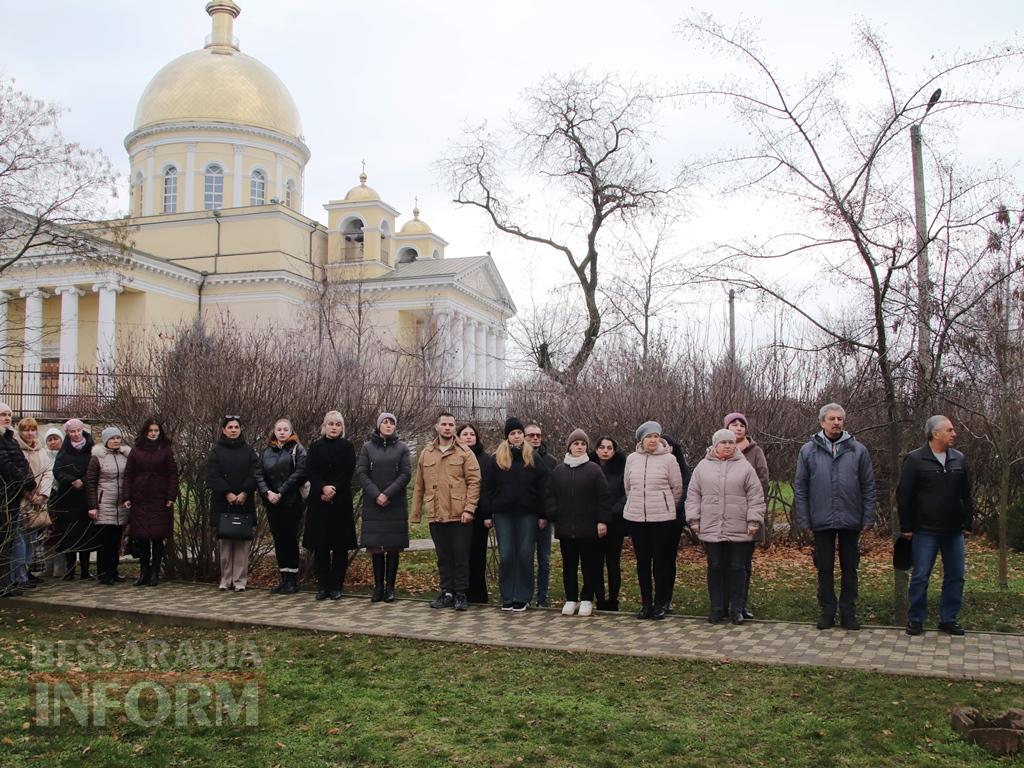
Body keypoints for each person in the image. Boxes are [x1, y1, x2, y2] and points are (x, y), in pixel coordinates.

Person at [793, 403, 876, 631]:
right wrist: (804, 519)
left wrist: (868, 517)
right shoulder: (808, 451)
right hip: (821, 519)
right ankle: (827, 611)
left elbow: (868, 486)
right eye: (832, 419)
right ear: (822, 422)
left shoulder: (858, 450)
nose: (836, 422)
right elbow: (800, 487)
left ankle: (848, 612)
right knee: (825, 567)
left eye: (840, 419)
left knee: (850, 568)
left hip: (851, 519)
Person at [899, 415, 973, 637]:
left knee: (956, 576)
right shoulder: (914, 460)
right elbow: (904, 495)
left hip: (953, 531)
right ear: (935, 434)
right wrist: (907, 527)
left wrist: (967, 522)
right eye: (949, 430)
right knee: (921, 575)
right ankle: (916, 620)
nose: (954, 434)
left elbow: (966, 495)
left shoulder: (958, 459)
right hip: (925, 530)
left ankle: (948, 619)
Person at [686, 429, 765, 624]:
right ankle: (717, 608)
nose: (728, 446)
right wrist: (694, 519)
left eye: (731, 443)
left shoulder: (745, 467)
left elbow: (756, 496)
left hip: (739, 527)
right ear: (715, 445)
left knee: (738, 567)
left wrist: (754, 520)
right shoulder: (702, 467)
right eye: (724, 443)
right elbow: (693, 495)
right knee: (715, 566)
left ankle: (737, 609)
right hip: (711, 527)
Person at [412, 412, 481, 611]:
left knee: (460, 556)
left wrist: (469, 509)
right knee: (443, 557)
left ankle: (460, 594)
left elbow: (474, 482)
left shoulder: (465, 452)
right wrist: (416, 513)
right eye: (444, 424)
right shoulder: (427, 453)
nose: (448, 427)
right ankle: (446, 592)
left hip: (460, 515)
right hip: (436, 514)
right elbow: (419, 485)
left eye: (451, 424)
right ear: (437, 427)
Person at [483, 417, 548, 612]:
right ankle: (507, 595)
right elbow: (488, 488)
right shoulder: (497, 458)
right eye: (513, 433)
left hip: (528, 514)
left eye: (519, 432)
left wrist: (544, 514)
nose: (517, 436)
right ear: (507, 437)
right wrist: (487, 513)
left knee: (525, 555)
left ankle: (522, 596)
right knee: (507, 555)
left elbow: (544, 487)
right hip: (503, 514)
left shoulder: (533, 457)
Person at [544, 429, 610, 617]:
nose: (579, 447)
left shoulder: (594, 470)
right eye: (576, 444)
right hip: (566, 529)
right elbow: (549, 496)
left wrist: (602, 520)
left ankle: (587, 598)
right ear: (569, 447)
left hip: (588, 529)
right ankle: (571, 598)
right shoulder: (559, 471)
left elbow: (604, 498)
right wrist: (554, 513)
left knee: (590, 565)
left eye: (583, 444)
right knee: (569, 566)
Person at [623, 421, 683, 620]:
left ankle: (660, 603)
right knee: (642, 562)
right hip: (637, 518)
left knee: (661, 562)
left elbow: (677, 489)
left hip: (662, 519)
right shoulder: (632, 459)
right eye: (649, 436)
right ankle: (646, 604)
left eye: (656, 436)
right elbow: (627, 486)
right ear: (642, 439)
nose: (653, 440)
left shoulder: (669, 460)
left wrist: (666, 507)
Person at [356, 412, 411, 603]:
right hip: (374, 504)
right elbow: (362, 473)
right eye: (385, 422)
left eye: (391, 423)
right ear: (378, 425)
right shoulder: (367, 447)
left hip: (394, 503)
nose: (388, 426)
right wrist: (376, 494)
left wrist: (387, 494)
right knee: (376, 547)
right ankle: (378, 587)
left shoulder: (402, 448)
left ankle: (390, 588)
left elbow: (405, 474)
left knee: (393, 547)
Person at [302, 410, 357, 601]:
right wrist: (323, 487)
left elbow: (348, 470)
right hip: (319, 501)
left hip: (340, 501)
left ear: (342, 427)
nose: (334, 427)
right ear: (324, 426)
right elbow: (310, 469)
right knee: (321, 546)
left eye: (338, 424)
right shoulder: (315, 447)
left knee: (340, 547)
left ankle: (336, 586)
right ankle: (323, 586)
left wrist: (333, 488)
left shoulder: (348, 447)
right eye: (331, 424)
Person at [724, 412, 769, 620]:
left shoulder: (755, 452)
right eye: (734, 424)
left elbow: (762, 481)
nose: (738, 428)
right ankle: (723, 604)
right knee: (724, 563)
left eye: (742, 425)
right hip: (725, 516)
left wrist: (753, 509)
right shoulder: (720, 449)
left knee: (743, 564)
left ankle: (741, 605)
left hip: (748, 514)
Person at [123, 418, 178, 587]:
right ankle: (144, 571)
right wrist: (126, 497)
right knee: (142, 537)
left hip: (159, 498)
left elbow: (173, 475)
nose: (153, 433)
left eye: (156, 430)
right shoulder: (136, 450)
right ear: (145, 432)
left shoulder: (166, 450)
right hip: (140, 497)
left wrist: (170, 497)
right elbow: (128, 475)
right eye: (150, 431)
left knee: (157, 537)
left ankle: (155, 572)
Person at [206, 416, 259, 592]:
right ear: (224, 430)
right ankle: (226, 579)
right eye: (230, 427)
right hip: (224, 503)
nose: (234, 430)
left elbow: (255, 474)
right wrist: (227, 492)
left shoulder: (249, 451)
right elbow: (212, 475)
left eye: (237, 427)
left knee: (242, 546)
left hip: (244, 502)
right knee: (225, 545)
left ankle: (240, 581)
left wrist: (244, 492)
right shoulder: (216, 450)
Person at [255, 418, 307, 595]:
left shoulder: (297, 450)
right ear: (274, 431)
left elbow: (300, 473)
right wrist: (267, 492)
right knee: (278, 539)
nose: (282, 432)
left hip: (291, 502)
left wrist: (281, 492)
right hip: (272, 503)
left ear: (291, 431)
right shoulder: (266, 452)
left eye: (286, 429)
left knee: (290, 539)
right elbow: (259, 474)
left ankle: (292, 579)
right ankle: (283, 578)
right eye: (279, 429)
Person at [52, 418, 98, 580]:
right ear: (68, 433)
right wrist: (72, 480)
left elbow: (96, 469)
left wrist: (84, 481)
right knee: (68, 535)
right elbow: (57, 471)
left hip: (86, 498)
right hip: (68, 498)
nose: (76, 434)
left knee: (86, 534)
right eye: (72, 431)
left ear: (82, 429)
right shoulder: (64, 451)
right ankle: (70, 570)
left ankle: (85, 570)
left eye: (78, 430)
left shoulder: (92, 449)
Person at [85, 426, 132, 585]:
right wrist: (93, 506)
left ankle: (114, 571)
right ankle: (104, 573)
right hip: (104, 503)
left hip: (121, 505)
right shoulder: (97, 457)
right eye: (112, 438)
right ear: (106, 440)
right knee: (105, 541)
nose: (116, 441)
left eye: (118, 437)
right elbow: (90, 482)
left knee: (116, 540)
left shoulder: (125, 456)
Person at [1, 404, 38, 597]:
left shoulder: (11, 439)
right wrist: (25, 482)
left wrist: (29, 481)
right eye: (3, 415)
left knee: (9, 541)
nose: (7, 418)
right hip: (4, 495)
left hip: (13, 496)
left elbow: (22, 463)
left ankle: (8, 582)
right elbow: (5, 465)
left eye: (9, 415)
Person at [13, 418, 53, 590]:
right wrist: (28, 493)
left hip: (38, 501)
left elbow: (48, 472)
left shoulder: (41, 451)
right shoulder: (17, 450)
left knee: (32, 541)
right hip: (22, 500)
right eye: (26, 430)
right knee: (19, 540)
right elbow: (16, 474)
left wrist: (43, 494)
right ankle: (19, 576)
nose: (29, 433)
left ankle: (26, 572)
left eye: (33, 430)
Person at [591, 436, 627, 612]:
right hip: (593, 523)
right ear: (596, 449)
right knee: (596, 563)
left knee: (613, 563)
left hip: (615, 523)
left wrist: (611, 511)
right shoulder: (588, 467)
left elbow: (626, 493)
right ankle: (599, 599)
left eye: (609, 448)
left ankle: (613, 600)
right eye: (602, 447)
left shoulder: (622, 468)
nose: (605, 451)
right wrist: (598, 515)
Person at [457, 423, 492, 604]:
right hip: (456, 513)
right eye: (465, 434)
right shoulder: (454, 456)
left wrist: (487, 514)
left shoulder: (486, 459)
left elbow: (487, 489)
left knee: (478, 555)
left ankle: (478, 595)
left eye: (472, 434)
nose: (469, 437)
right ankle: (460, 592)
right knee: (460, 555)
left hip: (478, 515)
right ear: (458, 437)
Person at [524, 424, 556, 607]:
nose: (535, 438)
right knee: (526, 557)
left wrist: (545, 515)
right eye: (531, 435)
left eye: (538, 435)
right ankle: (526, 596)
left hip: (544, 517)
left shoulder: (550, 461)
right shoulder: (519, 458)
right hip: (526, 516)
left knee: (544, 559)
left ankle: (542, 598)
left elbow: (550, 491)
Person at [660, 433, 692, 614]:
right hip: (654, 519)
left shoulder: (681, 467)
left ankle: (667, 598)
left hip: (673, 520)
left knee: (668, 560)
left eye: (669, 445)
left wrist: (674, 510)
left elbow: (686, 489)